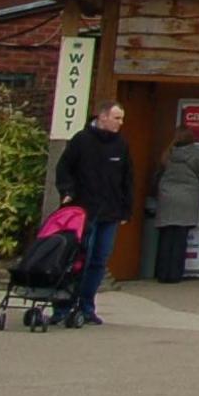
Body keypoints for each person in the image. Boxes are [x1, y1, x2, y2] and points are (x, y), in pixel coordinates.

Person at [51, 100, 134, 325]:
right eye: (117, 118)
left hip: (110, 213)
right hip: (84, 212)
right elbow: (64, 168)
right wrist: (67, 191)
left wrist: (126, 209)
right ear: (103, 117)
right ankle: (64, 305)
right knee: (79, 260)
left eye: (122, 118)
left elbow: (127, 178)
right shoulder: (82, 140)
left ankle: (86, 306)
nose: (121, 123)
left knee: (99, 261)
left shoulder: (121, 145)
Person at [148, 124, 199, 284]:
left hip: (167, 197)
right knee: (180, 237)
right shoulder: (196, 154)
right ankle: (175, 274)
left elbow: (159, 172)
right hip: (187, 198)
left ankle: (162, 274)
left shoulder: (168, 153)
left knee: (166, 236)